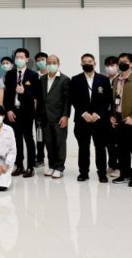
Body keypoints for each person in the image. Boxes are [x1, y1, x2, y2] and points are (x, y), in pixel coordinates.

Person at [70, 53, 112, 183]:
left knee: (100, 148)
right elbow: (74, 99)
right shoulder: (75, 79)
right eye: (84, 62)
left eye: (90, 61)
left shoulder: (103, 79)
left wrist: (97, 114)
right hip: (82, 120)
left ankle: (102, 173)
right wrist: (84, 113)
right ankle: (83, 173)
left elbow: (107, 99)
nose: (87, 63)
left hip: (99, 120)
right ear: (81, 64)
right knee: (83, 147)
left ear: (94, 63)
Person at [110, 52, 132, 188]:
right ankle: (124, 174)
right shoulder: (116, 79)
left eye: (125, 61)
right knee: (121, 149)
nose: (122, 64)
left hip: (130, 119)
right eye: (120, 61)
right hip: (118, 118)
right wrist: (112, 115)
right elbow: (113, 100)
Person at [3, 48, 39, 178]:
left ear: (27, 59)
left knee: (28, 138)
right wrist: (8, 110)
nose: (19, 59)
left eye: (21, 57)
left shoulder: (33, 75)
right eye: (17, 57)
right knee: (16, 139)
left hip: (27, 112)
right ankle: (19, 165)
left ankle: (30, 166)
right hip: (13, 112)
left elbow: (36, 94)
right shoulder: (10, 74)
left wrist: (24, 92)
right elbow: (7, 95)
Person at [39, 55, 71, 179]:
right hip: (45, 116)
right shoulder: (42, 79)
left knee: (60, 143)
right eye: (49, 62)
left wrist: (65, 116)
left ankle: (59, 167)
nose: (51, 64)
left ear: (58, 63)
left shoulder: (64, 79)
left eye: (54, 62)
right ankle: (51, 166)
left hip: (59, 117)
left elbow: (67, 100)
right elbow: (41, 99)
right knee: (49, 143)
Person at [103, 55, 121, 175]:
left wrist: (113, 116)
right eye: (108, 65)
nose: (110, 67)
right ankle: (112, 164)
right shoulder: (103, 80)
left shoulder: (120, 80)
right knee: (108, 142)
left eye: (112, 65)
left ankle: (120, 167)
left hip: (117, 115)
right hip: (105, 116)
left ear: (117, 66)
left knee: (118, 143)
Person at [33, 51, 49, 167]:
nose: (40, 62)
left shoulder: (52, 75)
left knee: (52, 137)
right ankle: (40, 158)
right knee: (40, 136)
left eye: (42, 60)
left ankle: (54, 159)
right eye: (38, 60)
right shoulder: (35, 76)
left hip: (52, 111)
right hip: (38, 111)